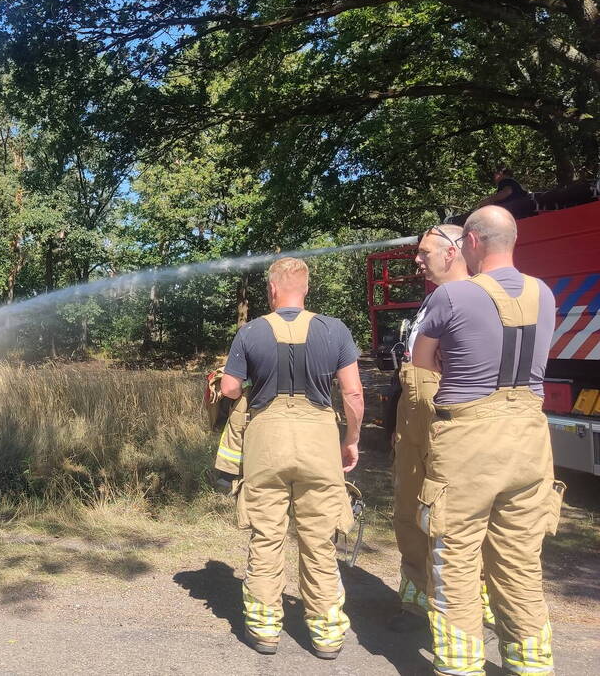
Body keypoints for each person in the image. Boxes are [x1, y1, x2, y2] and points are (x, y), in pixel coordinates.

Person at [412, 206, 560, 676]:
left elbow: (422, 362)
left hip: (469, 442)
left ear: (470, 242)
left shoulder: (453, 296)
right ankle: (531, 666)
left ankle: (459, 666)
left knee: (454, 556)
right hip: (531, 442)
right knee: (520, 560)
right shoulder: (545, 293)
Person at [220, 257, 364, 659]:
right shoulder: (333, 329)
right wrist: (351, 439)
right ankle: (326, 633)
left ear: (271, 290)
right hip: (318, 440)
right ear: (306, 288)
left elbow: (231, 388)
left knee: (267, 535)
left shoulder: (250, 332)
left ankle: (265, 628)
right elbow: (353, 394)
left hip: (266, 440)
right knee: (319, 539)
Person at [386, 224, 482, 632]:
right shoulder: (434, 300)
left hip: (448, 415)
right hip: (414, 413)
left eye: (425, 252)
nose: (417, 260)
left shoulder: (476, 297)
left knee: (452, 508)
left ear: (454, 251)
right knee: (408, 499)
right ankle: (416, 586)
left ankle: (466, 594)